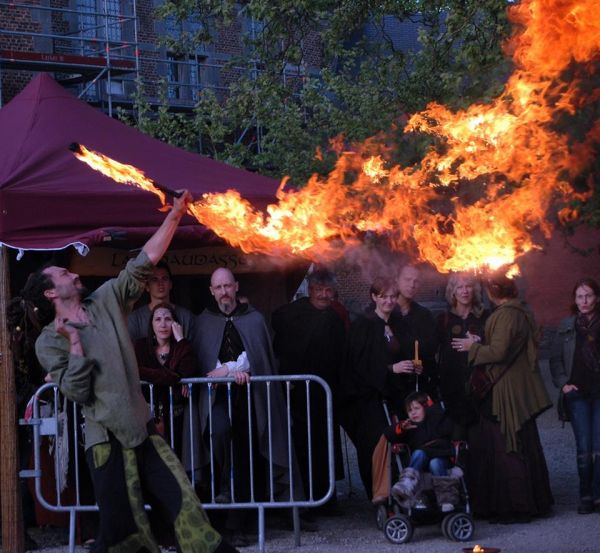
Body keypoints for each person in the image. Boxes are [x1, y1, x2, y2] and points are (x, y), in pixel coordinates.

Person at [30, 191, 239, 553]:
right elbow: (77, 392)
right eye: (63, 273)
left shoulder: (106, 300)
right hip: (106, 443)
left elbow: (145, 261)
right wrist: (76, 345)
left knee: (187, 511)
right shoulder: (49, 341)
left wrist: (174, 215)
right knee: (124, 535)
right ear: (51, 294)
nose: (72, 273)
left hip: (144, 432)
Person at [183, 268, 304, 545]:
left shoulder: (254, 319)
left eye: (228, 286)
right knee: (219, 437)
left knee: (247, 454)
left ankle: (242, 522)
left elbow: (259, 355)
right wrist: (223, 371)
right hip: (214, 401)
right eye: (219, 287)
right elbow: (200, 362)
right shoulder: (203, 323)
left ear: (236, 287)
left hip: (250, 399)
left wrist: (233, 369)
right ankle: (220, 516)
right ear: (212, 291)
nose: (224, 292)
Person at [452, 273, 553, 523]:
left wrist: (471, 348)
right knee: (519, 444)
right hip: (511, 386)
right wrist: (480, 341)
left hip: (506, 389)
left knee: (508, 447)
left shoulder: (507, 314)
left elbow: (499, 351)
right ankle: (530, 502)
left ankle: (516, 507)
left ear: (493, 291)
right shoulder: (516, 311)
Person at [271, 268, 347, 515]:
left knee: (326, 445)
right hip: (299, 393)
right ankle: (306, 499)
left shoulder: (336, 318)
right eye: (319, 290)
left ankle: (327, 497)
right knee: (303, 445)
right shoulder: (291, 314)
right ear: (311, 290)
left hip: (327, 392)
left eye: (328, 290)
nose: (324, 295)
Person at [340, 276, 422, 499]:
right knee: (376, 447)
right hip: (370, 398)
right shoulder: (362, 326)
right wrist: (389, 369)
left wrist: (412, 367)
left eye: (393, 297)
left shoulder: (399, 324)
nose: (388, 301)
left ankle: (406, 493)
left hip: (396, 396)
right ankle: (379, 497)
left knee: (405, 441)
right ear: (374, 297)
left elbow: (405, 353)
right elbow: (359, 362)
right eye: (383, 296)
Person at [550, 277, 600, 515]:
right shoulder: (567, 325)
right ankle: (585, 495)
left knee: (599, 445)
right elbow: (555, 359)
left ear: (596, 298)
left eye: (588, 295)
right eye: (580, 296)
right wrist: (563, 384)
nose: (584, 300)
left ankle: (598, 494)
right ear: (575, 300)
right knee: (584, 446)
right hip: (577, 392)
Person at [134, 302, 196, 456]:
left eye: (168, 319)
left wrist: (181, 339)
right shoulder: (141, 346)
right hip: (148, 416)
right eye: (158, 319)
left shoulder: (181, 346)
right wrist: (175, 377)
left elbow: (190, 369)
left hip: (177, 415)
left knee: (178, 457)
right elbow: (139, 372)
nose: (163, 324)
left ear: (175, 324)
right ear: (152, 324)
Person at [383, 391, 459, 512]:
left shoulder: (435, 421)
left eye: (417, 408)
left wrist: (431, 406)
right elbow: (388, 435)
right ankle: (407, 483)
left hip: (440, 459)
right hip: (420, 463)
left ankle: (446, 499)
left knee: (434, 462)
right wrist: (401, 427)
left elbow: (444, 421)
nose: (413, 413)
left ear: (426, 408)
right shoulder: (410, 427)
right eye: (410, 411)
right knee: (419, 453)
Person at [437, 273, 489, 440]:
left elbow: (495, 349)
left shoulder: (485, 317)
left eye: (468, 286)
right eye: (459, 287)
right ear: (453, 292)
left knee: (482, 440)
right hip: (453, 389)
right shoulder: (443, 320)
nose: (464, 291)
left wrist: (479, 344)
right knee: (457, 440)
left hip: (481, 388)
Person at [396, 265, 438, 397]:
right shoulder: (386, 314)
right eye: (407, 280)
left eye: (416, 281)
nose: (412, 285)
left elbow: (431, 348)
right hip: (393, 385)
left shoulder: (424, 315)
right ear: (397, 280)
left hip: (418, 383)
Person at [128, 261, 195, 342]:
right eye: (154, 279)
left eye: (165, 278)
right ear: (147, 287)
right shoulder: (135, 319)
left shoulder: (186, 317)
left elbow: (192, 351)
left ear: (170, 284)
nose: (160, 283)